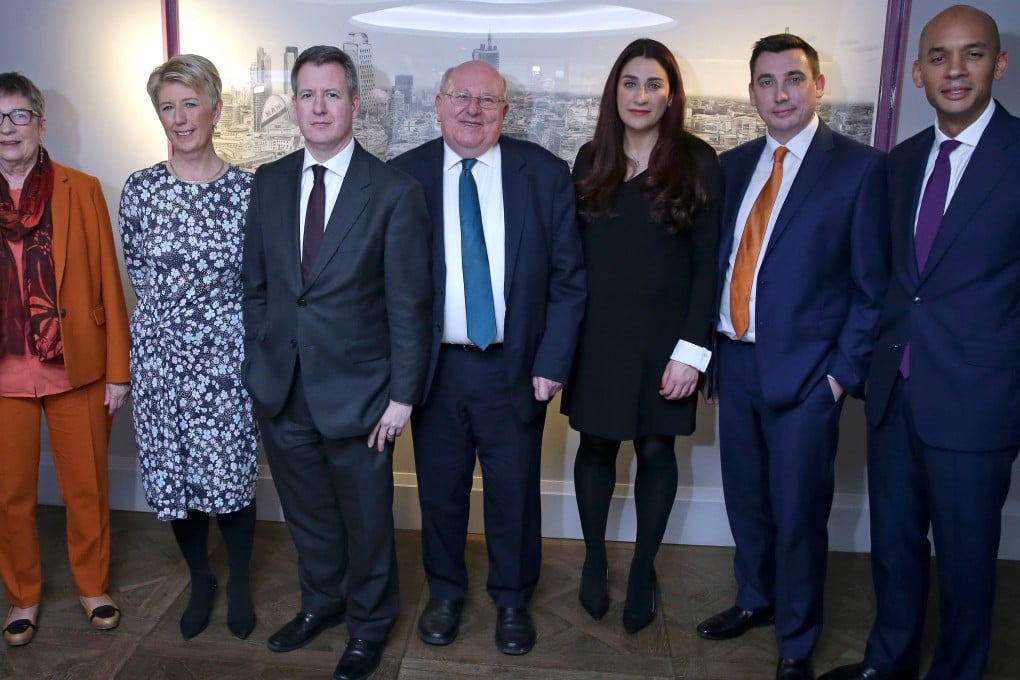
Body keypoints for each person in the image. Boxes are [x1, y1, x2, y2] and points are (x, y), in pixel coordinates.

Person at [819, 6, 1018, 680]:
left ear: (999, 63)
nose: (954, 70)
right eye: (938, 57)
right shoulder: (900, 163)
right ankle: (890, 663)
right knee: (894, 548)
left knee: (966, 562)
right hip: (895, 395)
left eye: (972, 54)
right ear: (917, 73)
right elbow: (889, 281)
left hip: (977, 401)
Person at [695, 35, 888, 680]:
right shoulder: (731, 166)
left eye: (794, 79)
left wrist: (839, 377)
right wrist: (712, 356)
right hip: (736, 363)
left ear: (817, 86)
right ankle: (756, 599)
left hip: (809, 378)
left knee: (800, 515)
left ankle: (798, 640)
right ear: (752, 93)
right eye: (767, 82)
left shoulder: (859, 168)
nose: (780, 93)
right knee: (746, 498)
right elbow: (717, 264)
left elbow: (872, 288)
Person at [241, 45, 431, 680]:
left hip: (363, 396)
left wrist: (401, 397)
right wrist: (260, 361)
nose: (318, 107)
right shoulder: (269, 182)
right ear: (294, 104)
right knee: (309, 516)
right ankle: (321, 604)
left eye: (330, 95)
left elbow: (410, 304)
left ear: (354, 104)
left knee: (368, 522)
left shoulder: (394, 191)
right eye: (306, 95)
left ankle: (370, 626)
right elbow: (257, 287)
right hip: (283, 389)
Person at [391, 60, 585, 657]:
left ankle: (512, 599)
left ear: (506, 111)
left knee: (514, 491)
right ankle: (445, 593)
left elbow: (569, 279)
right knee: (440, 491)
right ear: (439, 104)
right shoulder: (405, 176)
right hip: (436, 369)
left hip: (516, 366)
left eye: (487, 101)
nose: (473, 110)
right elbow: (388, 284)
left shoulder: (544, 174)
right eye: (461, 97)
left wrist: (552, 361)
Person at [560, 38, 719, 634]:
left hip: (667, 344)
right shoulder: (590, 157)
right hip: (598, 339)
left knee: (656, 451)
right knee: (596, 447)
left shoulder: (698, 160)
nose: (641, 95)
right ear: (615, 91)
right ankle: (595, 560)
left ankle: (644, 568)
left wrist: (692, 354)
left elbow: (709, 267)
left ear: (671, 95)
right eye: (630, 83)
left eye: (654, 84)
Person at [119, 54, 260, 642]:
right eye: (167, 107)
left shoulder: (248, 192)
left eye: (190, 104)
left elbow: (260, 281)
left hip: (227, 362)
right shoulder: (141, 190)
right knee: (174, 477)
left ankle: (241, 581)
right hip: (160, 362)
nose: (179, 118)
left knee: (230, 476)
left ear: (215, 109)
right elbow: (138, 272)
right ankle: (201, 579)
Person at [0, 72, 131, 646]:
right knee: (10, 494)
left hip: (76, 365)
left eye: (19, 115)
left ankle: (93, 587)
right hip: (4, 375)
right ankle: (22, 594)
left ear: (41, 124)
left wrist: (118, 370)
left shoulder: (81, 188)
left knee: (87, 486)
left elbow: (108, 281)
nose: (8, 128)